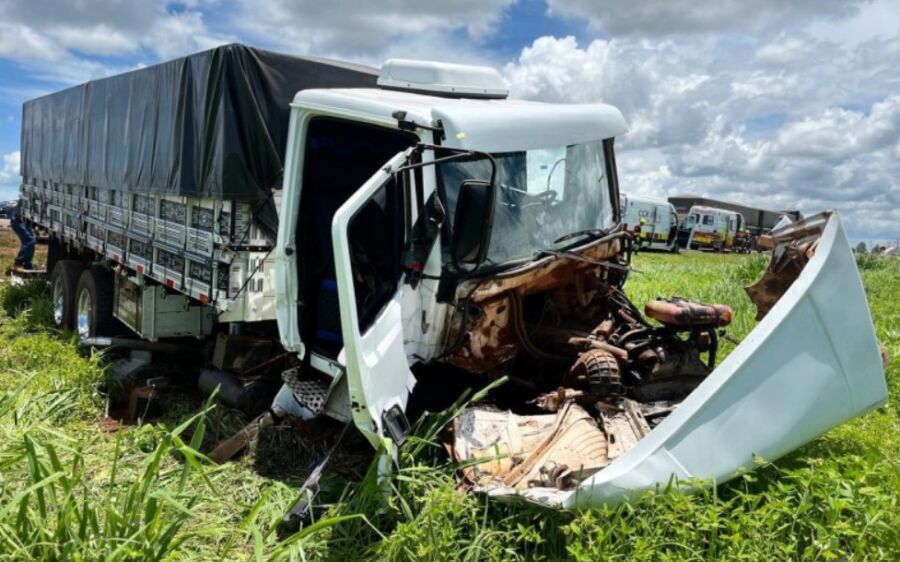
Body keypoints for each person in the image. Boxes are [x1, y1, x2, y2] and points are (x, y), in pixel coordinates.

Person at [3, 199, 35, 272]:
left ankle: (27, 264)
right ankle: (19, 262)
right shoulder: (26, 197)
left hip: (26, 222)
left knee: (30, 242)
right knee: (29, 241)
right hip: (17, 221)